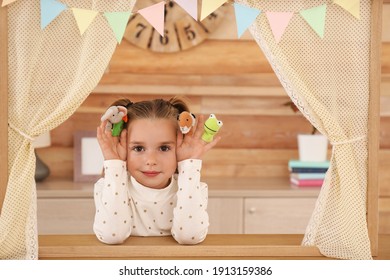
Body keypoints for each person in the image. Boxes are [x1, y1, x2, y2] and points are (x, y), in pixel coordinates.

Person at [93, 97, 221, 245]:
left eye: (164, 148)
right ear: (122, 145)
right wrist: (114, 162)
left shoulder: (193, 188)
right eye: (138, 148)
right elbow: (112, 236)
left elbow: (189, 237)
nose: (151, 160)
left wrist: (189, 164)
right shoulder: (107, 187)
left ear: (181, 146)